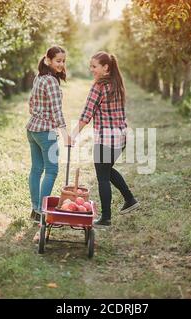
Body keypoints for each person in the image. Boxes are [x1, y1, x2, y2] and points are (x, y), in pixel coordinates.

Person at [72, 51, 139, 228]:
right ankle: (130, 199)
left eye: (94, 66)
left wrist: (72, 135)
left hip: (106, 139)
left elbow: (87, 114)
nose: (91, 69)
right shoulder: (117, 84)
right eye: (91, 66)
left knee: (102, 176)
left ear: (105, 67)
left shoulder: (99, 87)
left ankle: (106, 217)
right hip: (121, 137)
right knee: (107, 170)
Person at [26, 46, 71, 223]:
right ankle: (42, 212)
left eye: (63, 61)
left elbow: (31, 102)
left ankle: (35, 210)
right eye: (58, 61)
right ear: (48, 60)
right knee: (51, 170)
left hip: (32, 129)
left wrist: (38, 113)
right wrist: (65, 133)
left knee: (37, 169)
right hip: (46, 132)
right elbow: (57, 111)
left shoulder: (39, 77)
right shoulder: (51, 81)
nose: (61, 64)